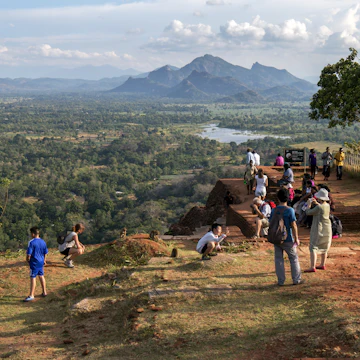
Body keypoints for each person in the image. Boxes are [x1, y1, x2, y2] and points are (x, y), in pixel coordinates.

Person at [270, 188, 303, 286]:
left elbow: (270, 223)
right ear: (288, 198)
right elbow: (293, 225)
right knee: (293, 258)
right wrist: (296, 237)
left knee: (278, 259)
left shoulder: (274, 210)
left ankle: (281, 281)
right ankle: (296, 279)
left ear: (278, 198)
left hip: (277, 238)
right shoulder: (290, 210)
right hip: (288, 238)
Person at [304, 188, 332, 272]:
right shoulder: (327, 205)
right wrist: (316, 203)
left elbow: (308, 212)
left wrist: (308, 204)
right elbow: (321, 208)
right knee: (324, 246)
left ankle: (312, 266)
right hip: (327, 227)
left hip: (318, 227)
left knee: (313, 246)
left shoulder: (319, 207)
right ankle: (322, 264)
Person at [24, 227, 48, 302]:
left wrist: (27, 260)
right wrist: (44, 260)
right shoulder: (43, 241)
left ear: (33, 234)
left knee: (33, 277)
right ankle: (44, 292)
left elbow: (29, 254)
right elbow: (45, 252)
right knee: (41, 276)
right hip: (41, 261)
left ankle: (31, 295)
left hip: (34, 262)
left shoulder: (31, 242)